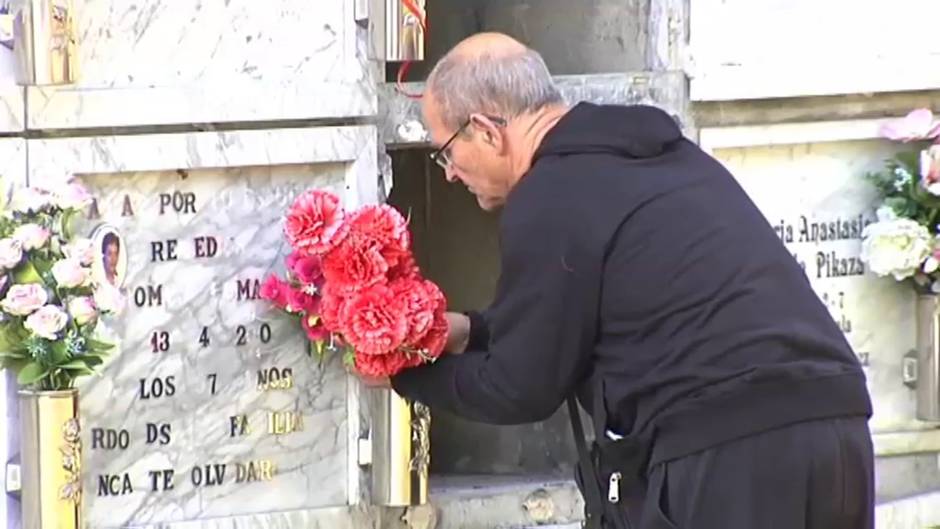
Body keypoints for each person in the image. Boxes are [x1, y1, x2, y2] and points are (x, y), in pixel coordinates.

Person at [386, 32, 874, 529]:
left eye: (445, 151)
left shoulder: (549, 196)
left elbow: (520, 387)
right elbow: (599, 308)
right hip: (836, 429)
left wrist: (398, 373)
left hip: (729, 451)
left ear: (487, 131)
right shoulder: (665, 157)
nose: (448, 173)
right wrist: (469, 330)